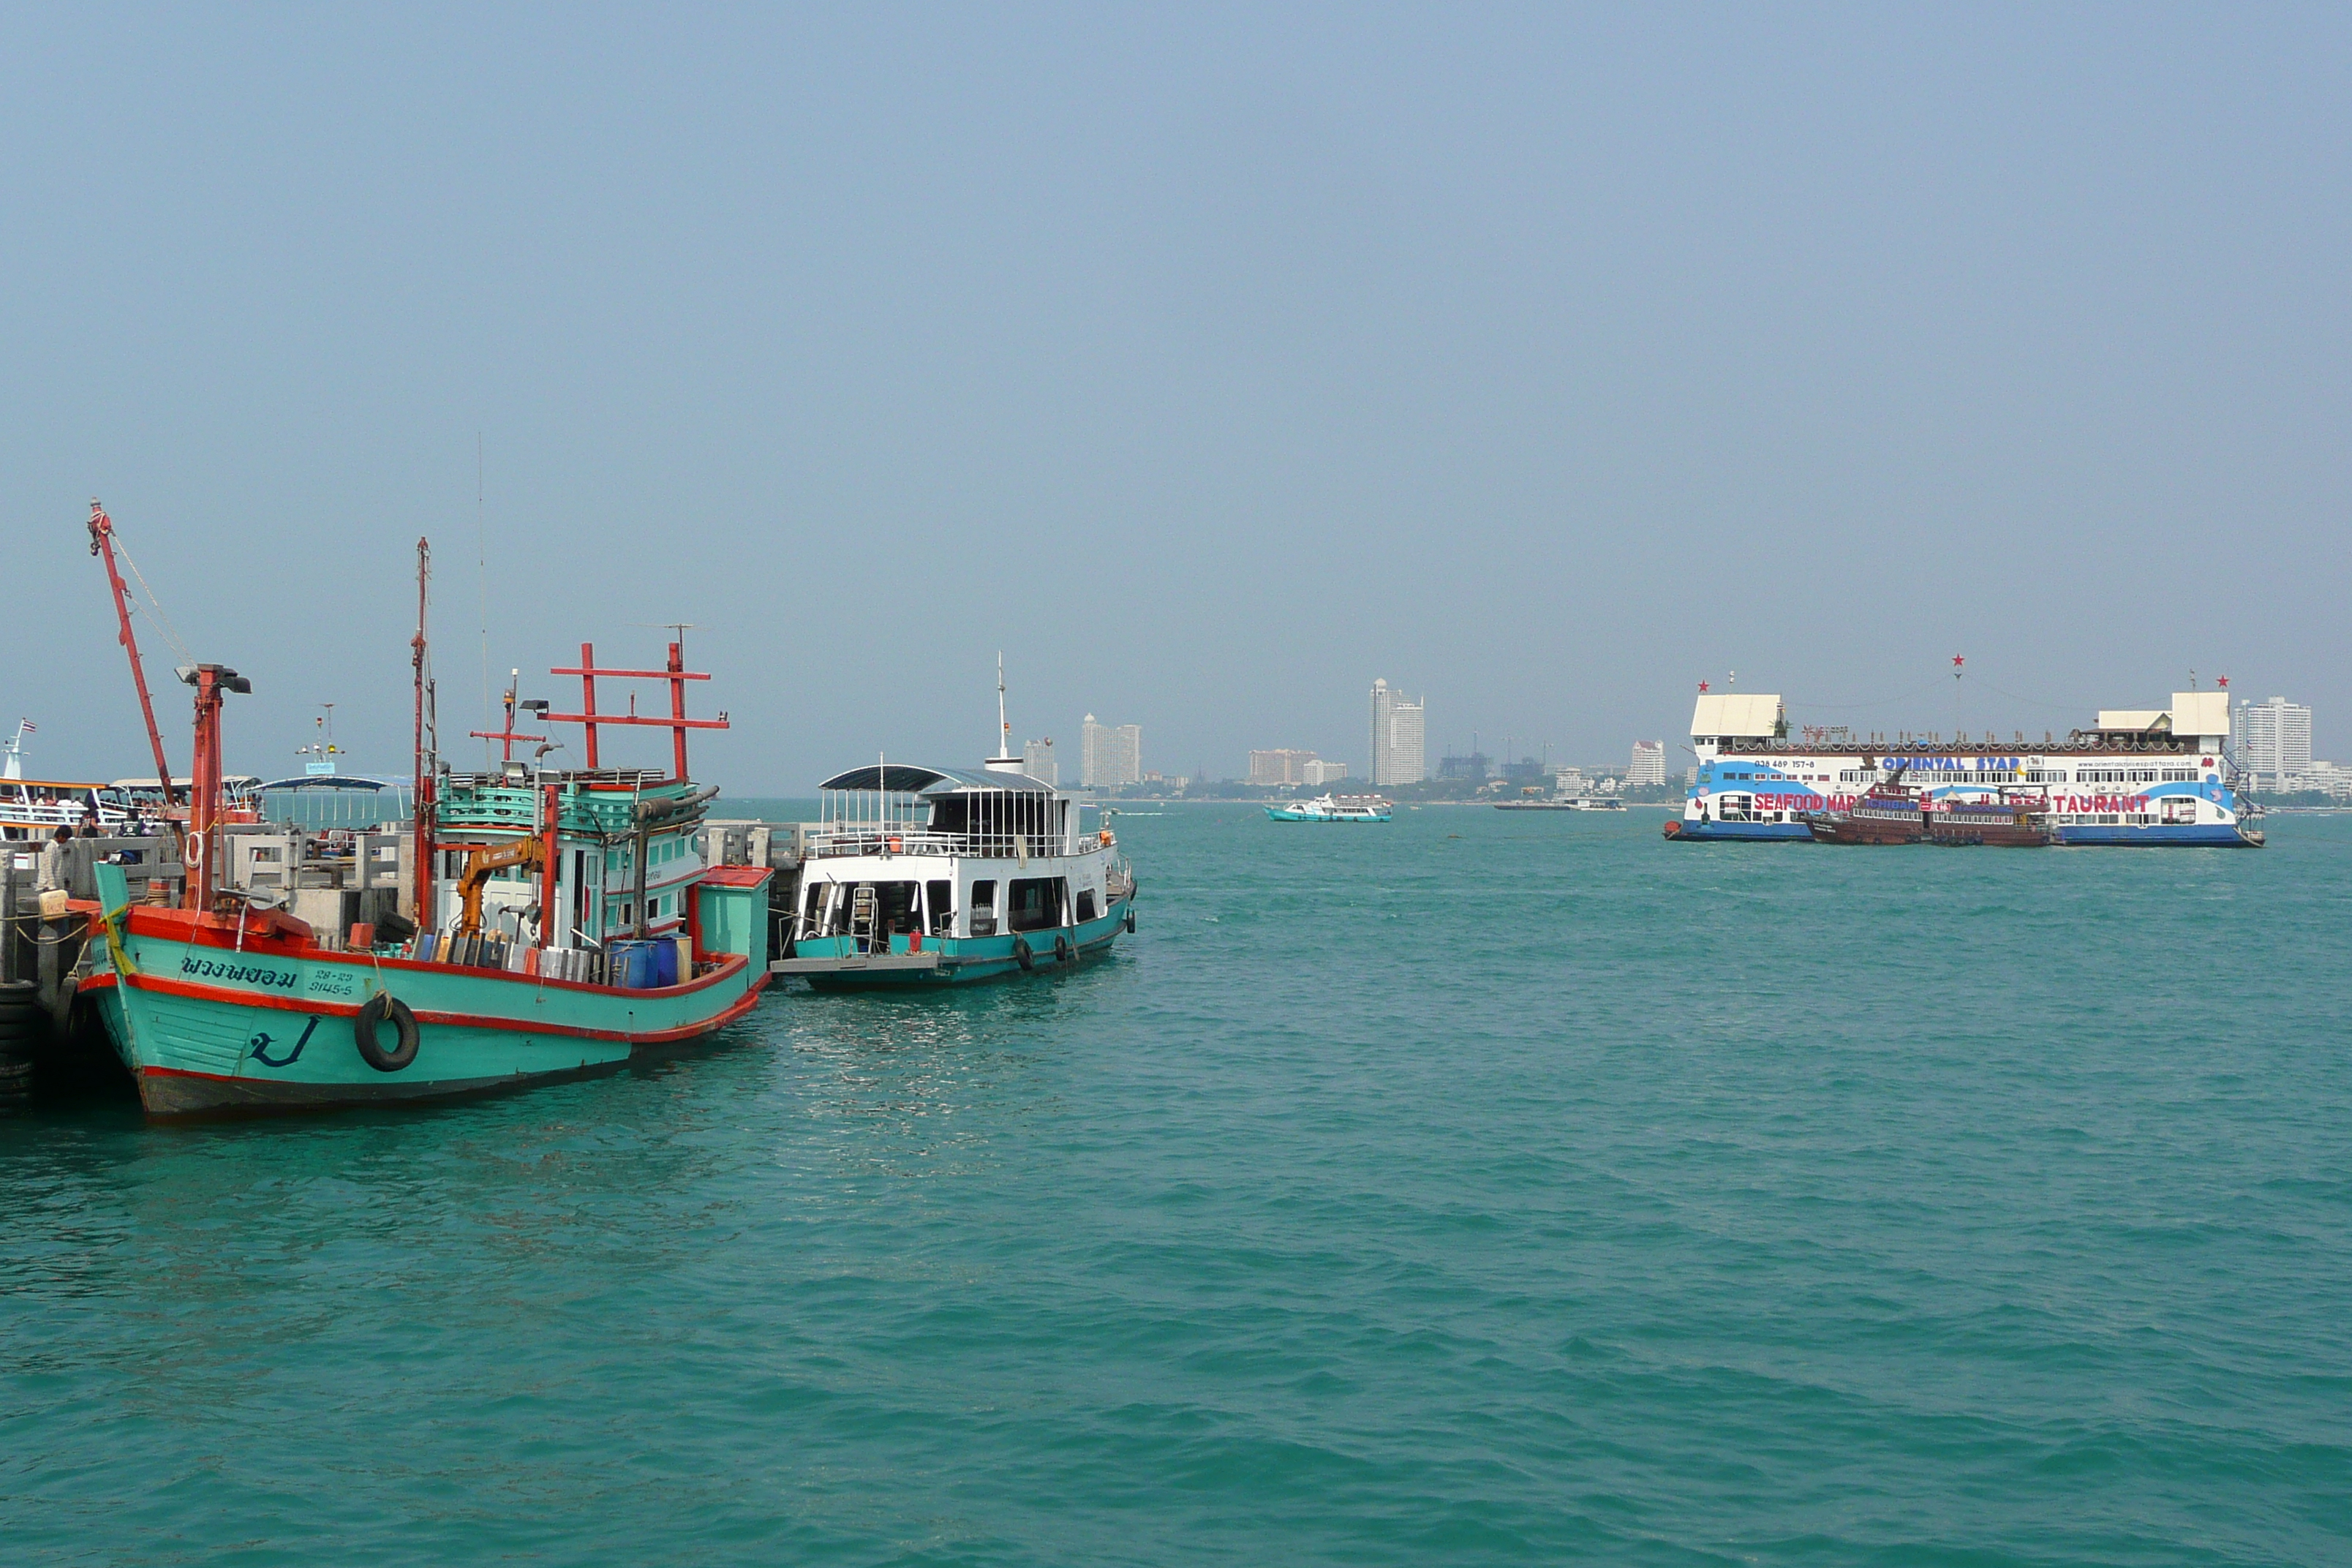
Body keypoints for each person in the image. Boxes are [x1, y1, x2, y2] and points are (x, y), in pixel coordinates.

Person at [36, 825, 72, 894]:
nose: (66, 840)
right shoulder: (51, 848)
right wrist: (52, 887)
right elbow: (49, 868)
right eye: (65, 838)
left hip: (55, 885)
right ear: (60, 836)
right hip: (48, 885)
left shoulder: (58, 847)